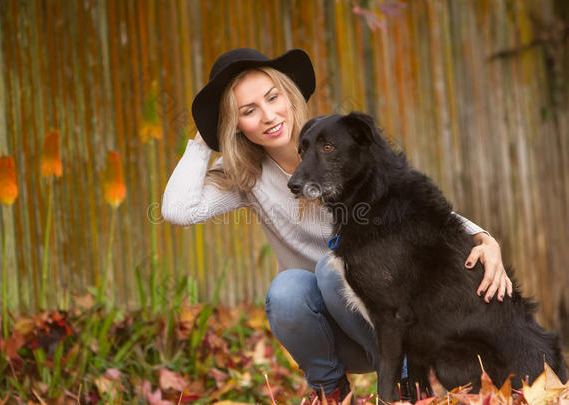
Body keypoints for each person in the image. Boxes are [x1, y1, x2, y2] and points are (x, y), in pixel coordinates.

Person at [161, 48, 512, 402]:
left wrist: (484, 237)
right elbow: (178, 210)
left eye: (272, 98)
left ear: (289, 95)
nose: (268, 116)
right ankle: (330, 392)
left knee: (335, 269)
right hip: (333, 332)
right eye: (248, 112)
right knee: (287, 290)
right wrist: (206, 137)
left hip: (393, 324)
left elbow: (409, 205)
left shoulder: (337, 143)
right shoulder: (247, 176)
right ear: (234, 124)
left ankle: (406, 387)